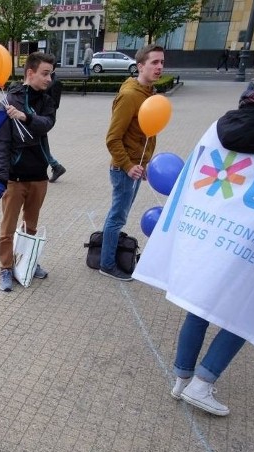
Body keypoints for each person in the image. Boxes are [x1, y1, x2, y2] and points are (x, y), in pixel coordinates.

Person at [137, 48, 254, 416]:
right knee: (246, 310)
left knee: (201, 300)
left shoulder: (224, 122)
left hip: (212, 232)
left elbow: (196, 172)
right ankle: (202, 383)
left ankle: (181, 378)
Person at [98, 44, 165, 281]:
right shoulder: (129, 96)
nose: (159, 67)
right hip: (124, 169)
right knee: (117, 217)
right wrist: (128, 166)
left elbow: (145, 134)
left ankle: (108, 254)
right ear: (140, 66)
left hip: (136, 167)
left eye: (161, 62)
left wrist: (144, 163)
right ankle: (107, 264)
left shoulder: (149, 93)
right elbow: (112, 138)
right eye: (154, 62)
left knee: (117, 215)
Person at [0, 52, 57, 292]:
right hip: (15, 178)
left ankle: (29, 262)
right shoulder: (8, 101)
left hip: (39, 176)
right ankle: (6, 268)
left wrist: (25, 117)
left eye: (51, 73)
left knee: (31, 226)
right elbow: (1, 143)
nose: (49, 78)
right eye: (45, 73)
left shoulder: (47, 101)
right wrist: (1, 177)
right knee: (7, 229)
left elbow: (46, 124)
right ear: (30, 73)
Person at [45, 68, 67, 183]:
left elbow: (55, 103)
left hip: (45, 118)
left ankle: (56, 166)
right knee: (40, 143)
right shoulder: (45, 78)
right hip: (37, 117)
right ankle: (56, 166)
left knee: (40, 143)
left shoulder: (55, 82)